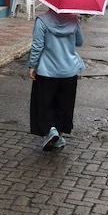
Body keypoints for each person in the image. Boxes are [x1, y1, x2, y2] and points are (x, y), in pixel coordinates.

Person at [28, 10, 85, 151]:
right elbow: (80, 41)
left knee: (44, 103)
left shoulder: (42, 20)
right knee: (63, 105)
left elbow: (37, 45)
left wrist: (32, 65)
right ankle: (58, 135)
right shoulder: (73, 20)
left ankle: (50, 130)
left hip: (47, 71)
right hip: (69, 71)